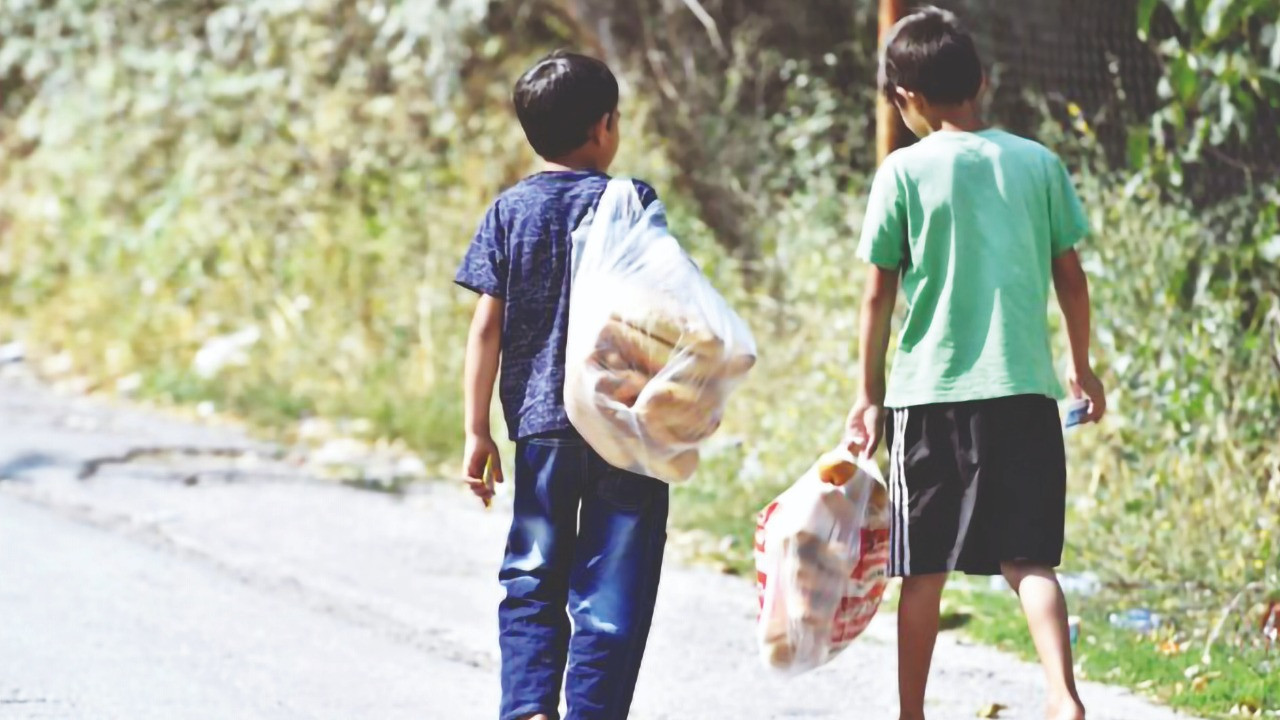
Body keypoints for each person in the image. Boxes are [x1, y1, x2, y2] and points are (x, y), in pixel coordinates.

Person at [843, 8, 1106, 720]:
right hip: (1023, 392)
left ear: (905, 99)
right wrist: (1080, 367)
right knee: (1029, 560)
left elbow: (877, 294)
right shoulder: (1037, 163)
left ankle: (911, 713)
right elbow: (1072, 279)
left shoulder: (902, 171)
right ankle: (1062, 695)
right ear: (982, 82)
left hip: (929, 396)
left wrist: (867, 395)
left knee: (921, 570)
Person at [455, 50, 668, 720]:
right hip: (622, 425)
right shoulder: (631, 202)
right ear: (605, 127)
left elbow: (486, 328)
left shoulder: (510, 210)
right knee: (616, 584)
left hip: (543, 423)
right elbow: (667, 309)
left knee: (533, 572)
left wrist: (476, 430)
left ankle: (529, 708)